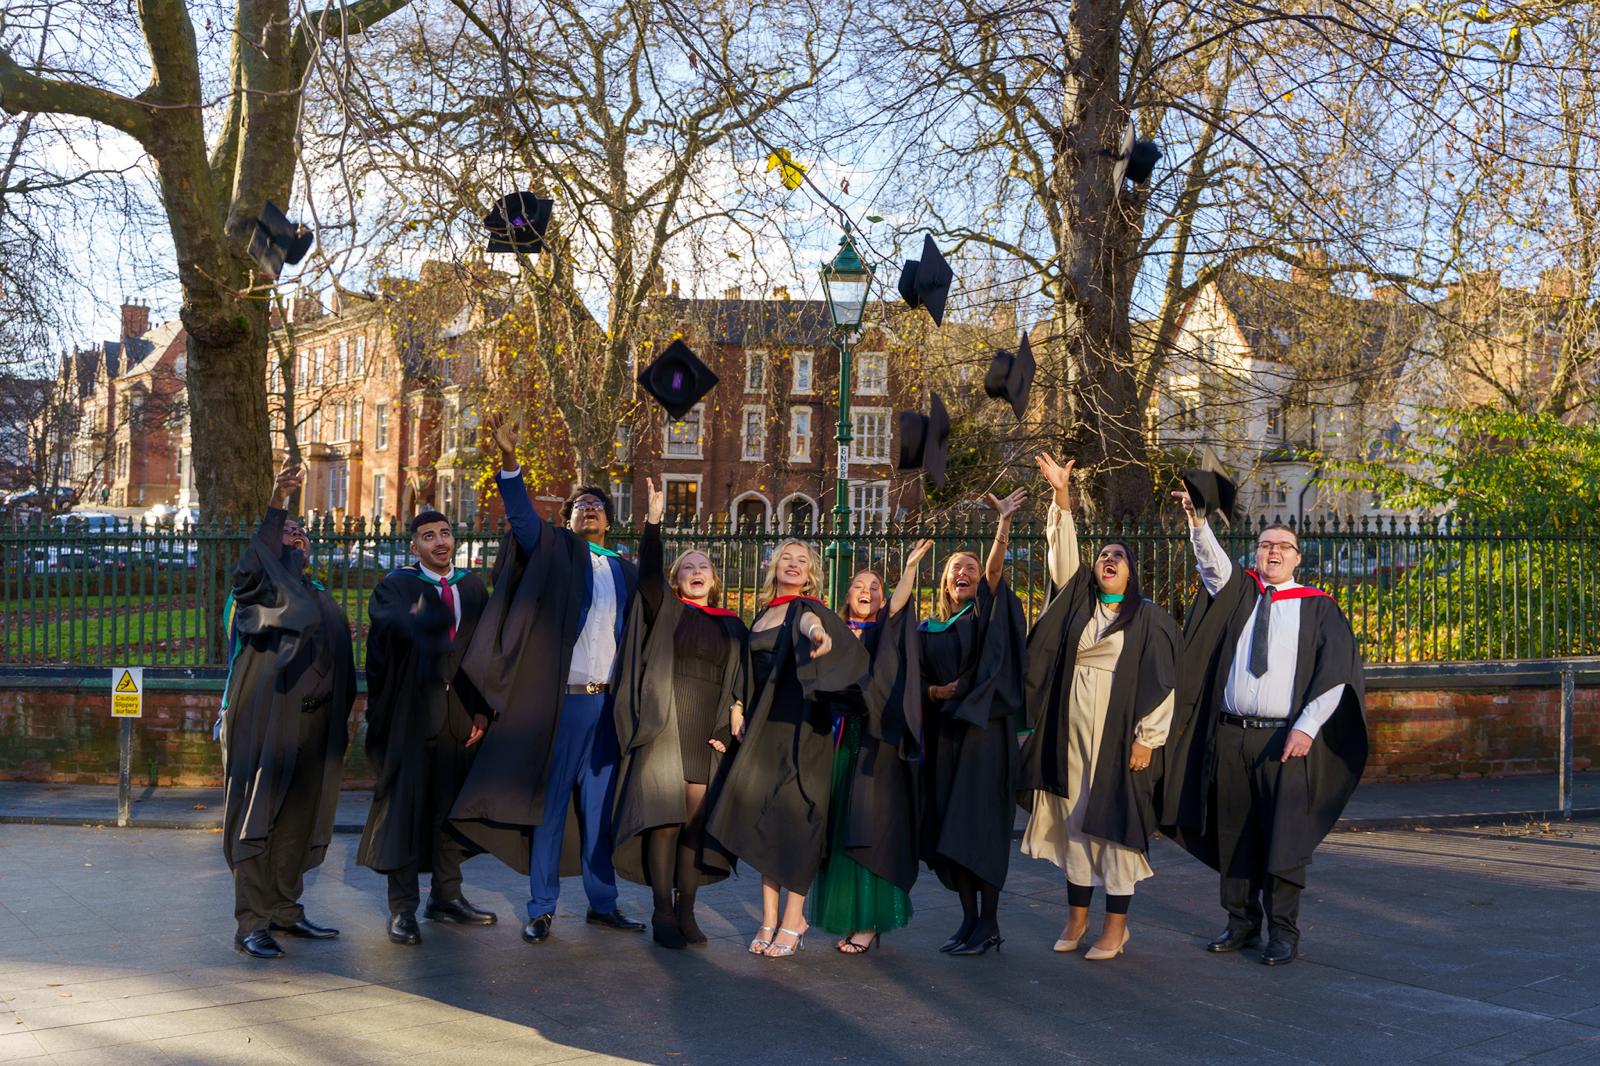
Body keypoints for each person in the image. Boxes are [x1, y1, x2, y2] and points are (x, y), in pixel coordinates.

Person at [452, 415, 645, 944]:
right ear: (570, 517)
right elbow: (520, 518)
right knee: (551, 806)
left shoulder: (623, 569)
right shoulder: (557, 551)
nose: (589, 510)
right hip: (564, 705)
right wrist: (510, 462)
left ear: (609, 519)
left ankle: (603, 903)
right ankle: (541, 908)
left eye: (597, 506)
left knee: (602, 810)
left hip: (607, 707)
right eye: (580, 505)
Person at [1162, 489, 1368, 966]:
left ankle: (1283, 931)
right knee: (1233, 831)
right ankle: (1240, 923)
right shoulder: (1240, 594)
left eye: (1283, 546)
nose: (1273, 551)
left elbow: (1335, 674)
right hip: (1231, 734)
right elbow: (1212, 565)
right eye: (1265, 544)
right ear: (1255, 553)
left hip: (1285, 739)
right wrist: (1197, 523)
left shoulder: (1318, 607)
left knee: (1284, 835)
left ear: (1297, 557)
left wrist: (1307, 728)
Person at [1018, 454, 1179, 960]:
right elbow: (1062, 557)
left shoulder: (1148, 619)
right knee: (1074, 824)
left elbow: (1165, 683)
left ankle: (1115, 927)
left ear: (1131, 573)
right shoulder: (1078, 608)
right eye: (1103, 554)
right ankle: (1076, 920)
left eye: (1119, 556)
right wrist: (1061, 496)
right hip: (1071, 733)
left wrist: (1146, 741)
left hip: (1117, 736)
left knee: (1115, 828)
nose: (1108, 560)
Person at [705, 539, 870, 959]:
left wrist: (820, 636)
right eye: (787, 559)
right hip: (764, 730)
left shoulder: (803, 609)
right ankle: (768, 917)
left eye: (802, 561)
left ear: (811, 572)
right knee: (765, 820)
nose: (793, 565)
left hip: (803, 727)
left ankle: (794, 918)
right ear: (774, 566)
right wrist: (738, 705)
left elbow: (810, 625)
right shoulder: (762, 614)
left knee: (798, 821)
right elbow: (747, 669)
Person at [218, 462, 355, 960]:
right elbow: (251, 569)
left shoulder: (317, 593)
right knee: (260, 817)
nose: (296, 538)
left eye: (301, 533)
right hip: (269, 722)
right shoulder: (260, 595)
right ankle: (251, 922)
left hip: (316, 726)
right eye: (286, 533)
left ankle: (284, 910)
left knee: (298, 820)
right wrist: (278, 503)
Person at [611, 479, 747, 949]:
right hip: (666, 724)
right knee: (664, 822)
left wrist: (731, 718)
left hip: (705, 732)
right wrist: (653, 520)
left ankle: (688, 911)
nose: (696, 570)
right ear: (677, 579)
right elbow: (647, 574)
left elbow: (740, 682)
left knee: (694, 825)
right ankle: (662, 912)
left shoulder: (731, 623)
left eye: (703, 566)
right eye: (687, 566)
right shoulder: (665, 608)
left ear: (714, 579)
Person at [357, 510, 498, 947]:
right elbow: (389, 637)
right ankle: (403, 909)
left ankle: (446, 897)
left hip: (459, 716)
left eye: (445, 533)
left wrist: (481, 710)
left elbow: (483, 651)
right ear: (414, 546)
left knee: (450, 810)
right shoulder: (397, 587)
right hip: (411, 714)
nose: (439, 541)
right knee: (405, 809)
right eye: (428, 536)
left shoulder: (472, 587)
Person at [809, 540, 934, 955]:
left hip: (874, 742)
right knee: (839, 829)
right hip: (837, 743)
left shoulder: (885, 631)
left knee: (868, 831)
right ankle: (851, 917)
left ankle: (870, 922)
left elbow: (898, 609)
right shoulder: (833, 632)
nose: (867, 590)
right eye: (859, 585)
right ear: (845, 596)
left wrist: (910, 569)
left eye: (875, 586)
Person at [919, 488, 1029, 957]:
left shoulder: (982, 614)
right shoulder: (928, 627)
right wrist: (934, 692)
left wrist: (1001, 525)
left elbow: (994, 574)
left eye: (968, 567)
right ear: (943, 584)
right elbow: (914, 681)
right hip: (945, 735)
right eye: (953, 570)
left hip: (985, 734)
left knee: (980, 827)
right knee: (950, 829)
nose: (962, 573)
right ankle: (968, 920)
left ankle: (989, 922)